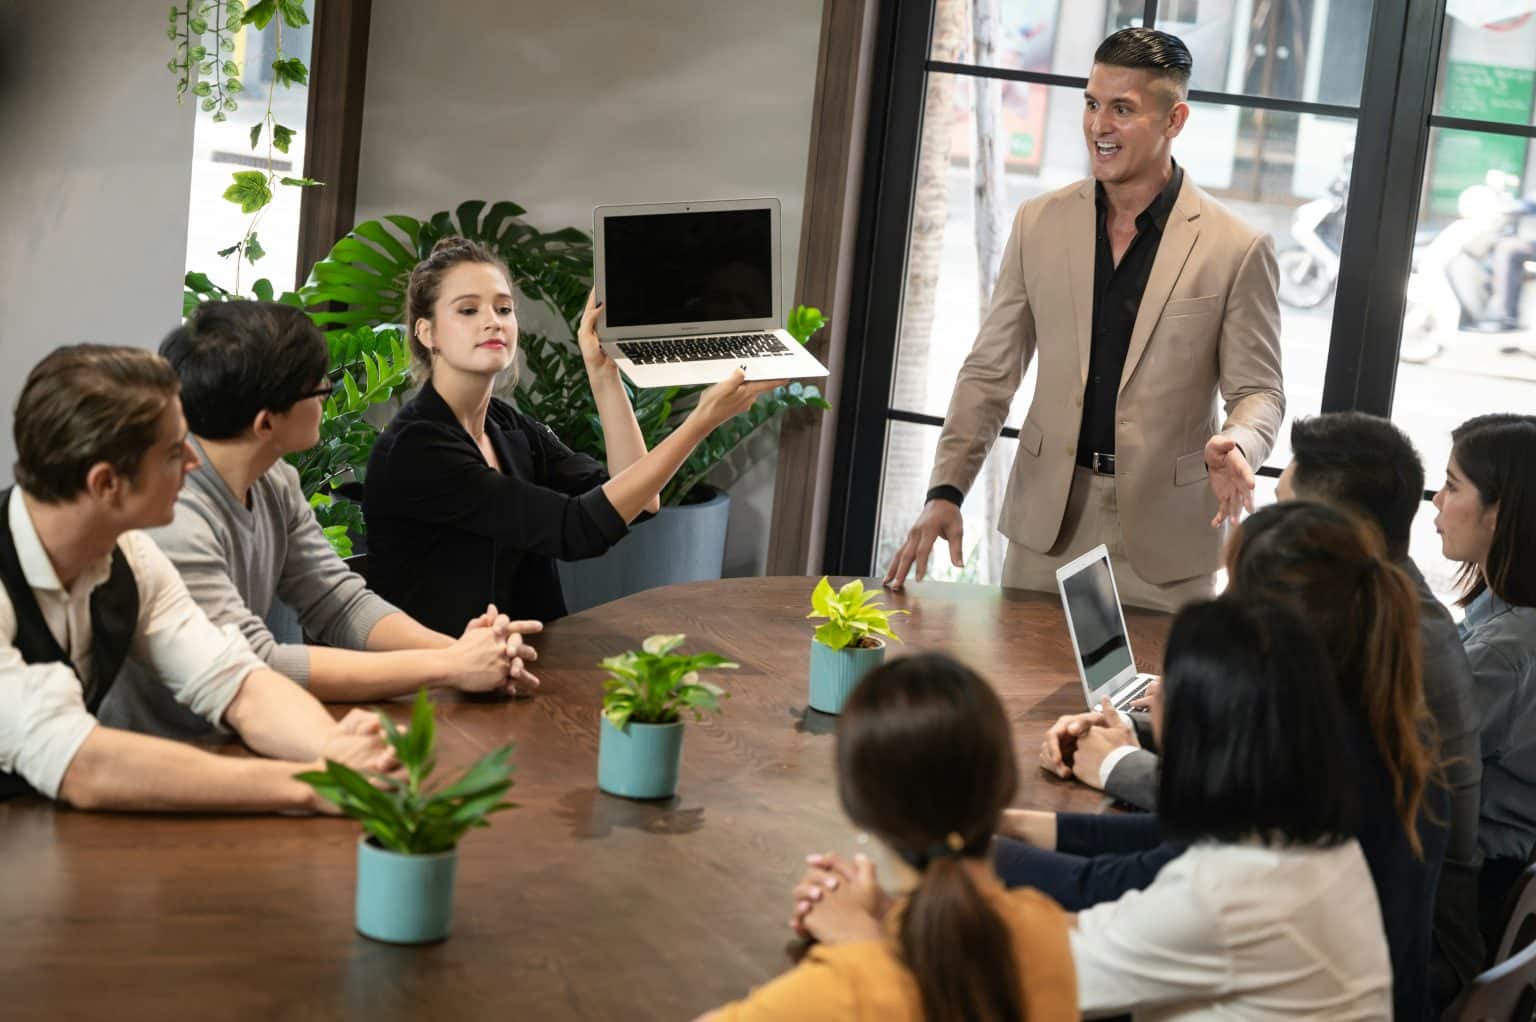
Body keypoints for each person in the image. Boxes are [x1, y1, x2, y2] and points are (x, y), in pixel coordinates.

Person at [1042, 411, 1485, 1004]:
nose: (1270, 527)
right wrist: (1133, 731)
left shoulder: (1387, 640)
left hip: (1414, 952)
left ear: (1328, 533)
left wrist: (1118, 763)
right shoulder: (1377, 615)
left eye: (1284, 511)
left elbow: (1240, 812)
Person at [793, 602, 1391, 1019]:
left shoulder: (1226, 896)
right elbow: (1119, 889)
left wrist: (858, 932)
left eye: (1168, 687)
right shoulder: (1303, 836)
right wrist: (927, 886)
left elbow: (1006, 991)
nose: (1151, 694)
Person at [993, 502, 1445, 1021]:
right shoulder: (1316, 804)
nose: (1151, 695)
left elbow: (1054, 964)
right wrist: (1018, 827)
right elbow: (1164, 850)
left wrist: (966, 855)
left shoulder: (1229, 891)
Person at [883, 27, 1284, 612]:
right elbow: (990, 371)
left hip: (1169, 541)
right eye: (1092, 103)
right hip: (1048, 526)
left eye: (1122, 109)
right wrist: (947, 490)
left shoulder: (1237, 247)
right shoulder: (1038, 223)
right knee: (1021, 671)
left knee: (1158, 679)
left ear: (1174, 120)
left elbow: (1260, 391)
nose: (1099, 126)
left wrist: (1240, 442)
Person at [96, 302, 540, 743]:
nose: (328, 394)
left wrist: (466, 652)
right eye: (318, 389)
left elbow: (338, 602)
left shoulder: (273, 479)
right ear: (265, 423)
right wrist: (447, 666)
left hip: (245, 738)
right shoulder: (173, 517)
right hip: (161, 754)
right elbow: (257, 665)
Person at [0, 345, 394, 812]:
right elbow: (83, 766)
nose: (193, 459)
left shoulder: (131, 555)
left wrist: (335, 750)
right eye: (173, 451)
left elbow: (238, 684)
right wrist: (314, 783)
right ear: (106, 484)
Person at [364, 237, 785, 633]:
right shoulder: (418, 448)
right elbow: (575, 529)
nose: (493, 322)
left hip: (523, 657)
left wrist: (604, 375)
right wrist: (701, 421)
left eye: (504, 309)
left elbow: (640, 501)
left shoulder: (506, 425)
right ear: (427, 332)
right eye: (469, 310)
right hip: (438, 674)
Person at [702, 653, 1077, 1021]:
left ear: (857, 807)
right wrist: (887, 917)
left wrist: (860, 945)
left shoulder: (841, 993)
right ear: (1005, 785)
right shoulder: (1045, 929)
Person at [1433, 413, 1536, 949]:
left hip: (1465, 894)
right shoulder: (1505, 618)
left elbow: (1399, 754)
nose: (1436, 501)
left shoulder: (1504, 650)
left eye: (1452, 486)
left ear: (1500, 512)